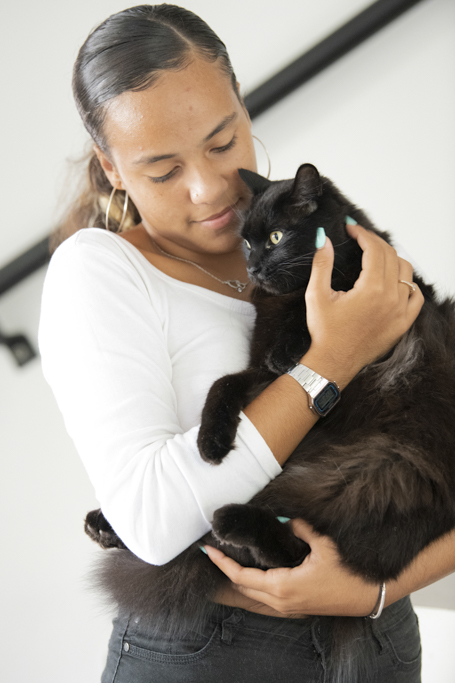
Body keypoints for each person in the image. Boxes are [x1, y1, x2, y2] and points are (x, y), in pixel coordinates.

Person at [38, 4, 455, 682]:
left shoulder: (309, 236)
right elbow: (149, 520)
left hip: (378, 634)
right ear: (112, 170)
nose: (208, 190)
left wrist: (370, 590)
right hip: (214, 652)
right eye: (162, 169)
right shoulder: (99, 270)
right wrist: (332, 359)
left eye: (222, 141)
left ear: (241, 103)